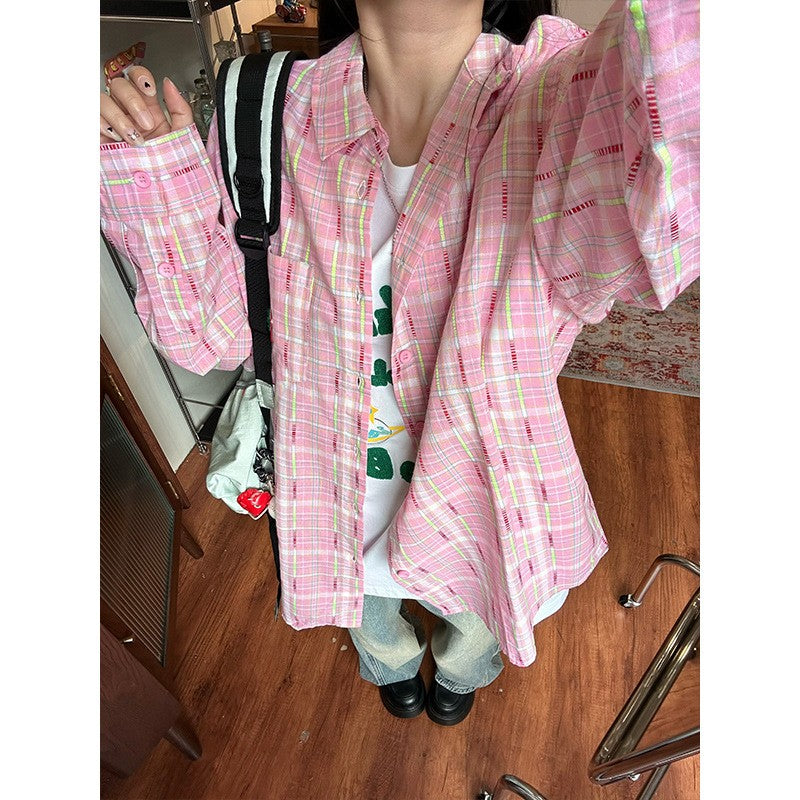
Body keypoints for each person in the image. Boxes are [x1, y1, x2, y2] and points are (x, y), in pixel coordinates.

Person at [99, 0, 699, 726]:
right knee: (369, 608)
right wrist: (156, 182)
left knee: (475, 615)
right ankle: (389, 662)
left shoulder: (560, 103)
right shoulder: (261, 105)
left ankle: (462, 668)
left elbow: (677, 144)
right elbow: (217, 336)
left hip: (481, 503)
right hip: (331, 494)